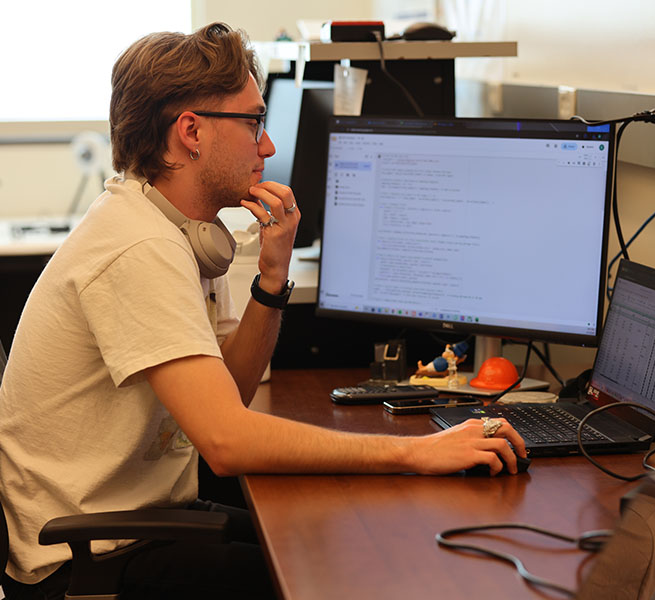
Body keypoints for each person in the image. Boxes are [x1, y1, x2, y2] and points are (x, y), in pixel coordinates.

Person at [0, 23, 526, 599]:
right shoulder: (139, 246)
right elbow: (226, 443)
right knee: (343, 575)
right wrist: (414, 451)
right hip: (84, 562)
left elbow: (231, 394)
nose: (268, 145)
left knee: (336, 536)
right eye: (253, 122)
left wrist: (272, 279)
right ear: (191, 131)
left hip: (135, 524)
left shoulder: (185, 231)